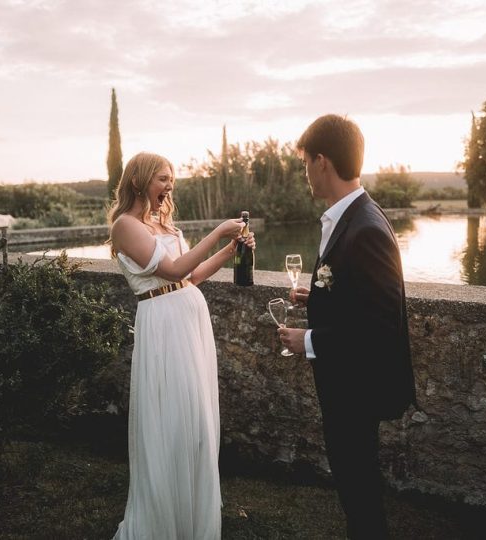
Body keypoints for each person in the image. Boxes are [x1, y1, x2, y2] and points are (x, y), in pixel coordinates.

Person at [278, 114, 417, 539]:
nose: (305, 173)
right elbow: (357, 298)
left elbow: (379, 327)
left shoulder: (366, 228)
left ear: (322, 161)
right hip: (346, 384)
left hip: (357, 387)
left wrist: (310, 339)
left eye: (305, 162)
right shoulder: (349, 217)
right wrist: (317, 297)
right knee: (353, 481)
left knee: (359, 486)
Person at [107, 151, 255, 540]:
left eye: (171, 179)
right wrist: (219, 232)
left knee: (196, 421)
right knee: (170, 421)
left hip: (191, 323)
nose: (169, 186)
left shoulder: (163, 225)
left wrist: (231, 250)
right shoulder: (126, 226)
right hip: (162, 326)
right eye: (162, 178)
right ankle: (162, 521)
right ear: (139, 181)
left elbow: (190, 275)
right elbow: (172, 270)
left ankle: (193, 518)